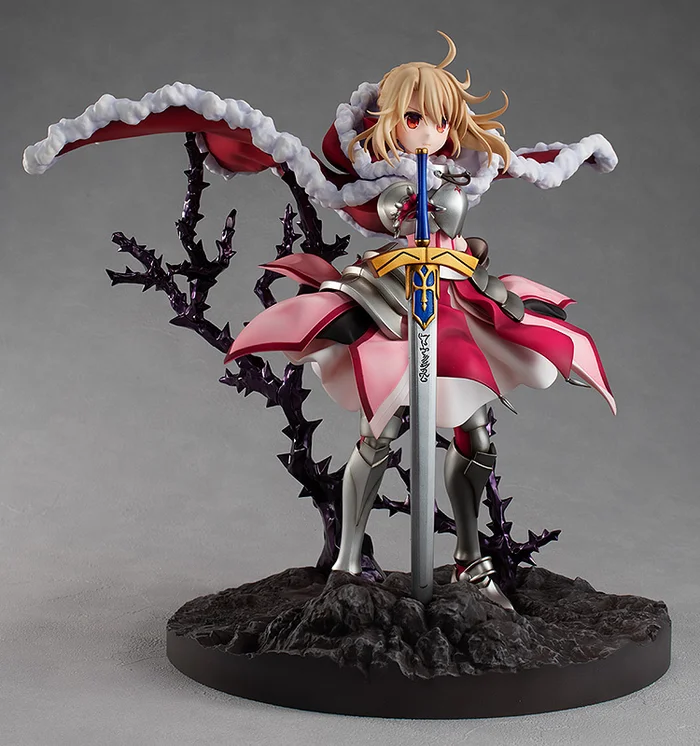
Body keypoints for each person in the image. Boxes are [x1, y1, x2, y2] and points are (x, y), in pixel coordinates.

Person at [23, 33, 617, 609]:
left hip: (458, 300)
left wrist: (580, 153)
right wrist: (399, 208)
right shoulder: (372, 181)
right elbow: (337, 186)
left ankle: (468, 558)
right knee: (381, 426)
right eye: (414, 117)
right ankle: (349, 560)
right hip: (392, 299)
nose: (429, 131)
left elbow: (530, 163)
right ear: (389, 120)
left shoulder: (464, 169)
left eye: (440, 120)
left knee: (475, 428)